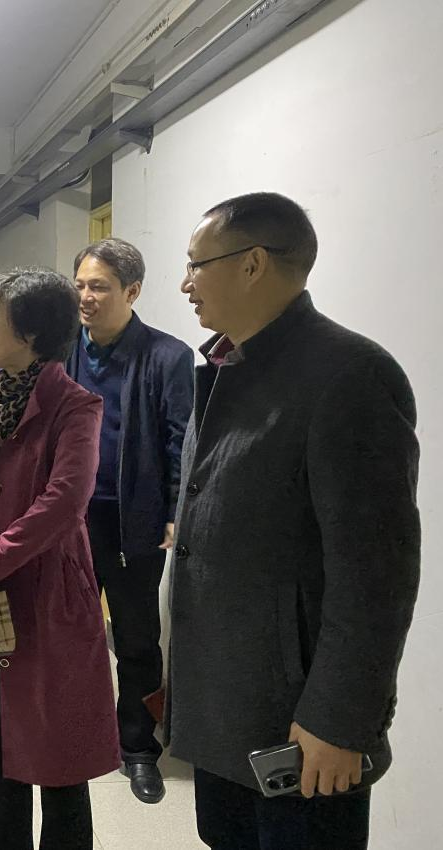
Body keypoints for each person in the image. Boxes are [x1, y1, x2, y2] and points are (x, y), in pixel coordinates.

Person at [171, 192, 420, 850]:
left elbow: (376, 575)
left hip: (300, 727)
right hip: (227, 703)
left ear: (252, 263)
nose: (185, 283)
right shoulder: (229, 366)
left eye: (196, 264)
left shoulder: (348, 375)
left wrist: (340, 721)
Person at [0, 268, 120, 850]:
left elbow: (64, 503)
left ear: (31, 334)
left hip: (46, 597)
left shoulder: (75, 407)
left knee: (57, 749)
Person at [66, 237, 194, 804]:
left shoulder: (167, 357)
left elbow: (180, 441)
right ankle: (73, 730)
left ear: (132, 291)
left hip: (133, 520)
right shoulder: (62, 351)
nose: (85, 297)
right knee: (69, 631)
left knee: (138, 638)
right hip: (68, 519)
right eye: (80, 285)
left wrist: (173, 512)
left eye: (99, 287)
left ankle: (139, 747)